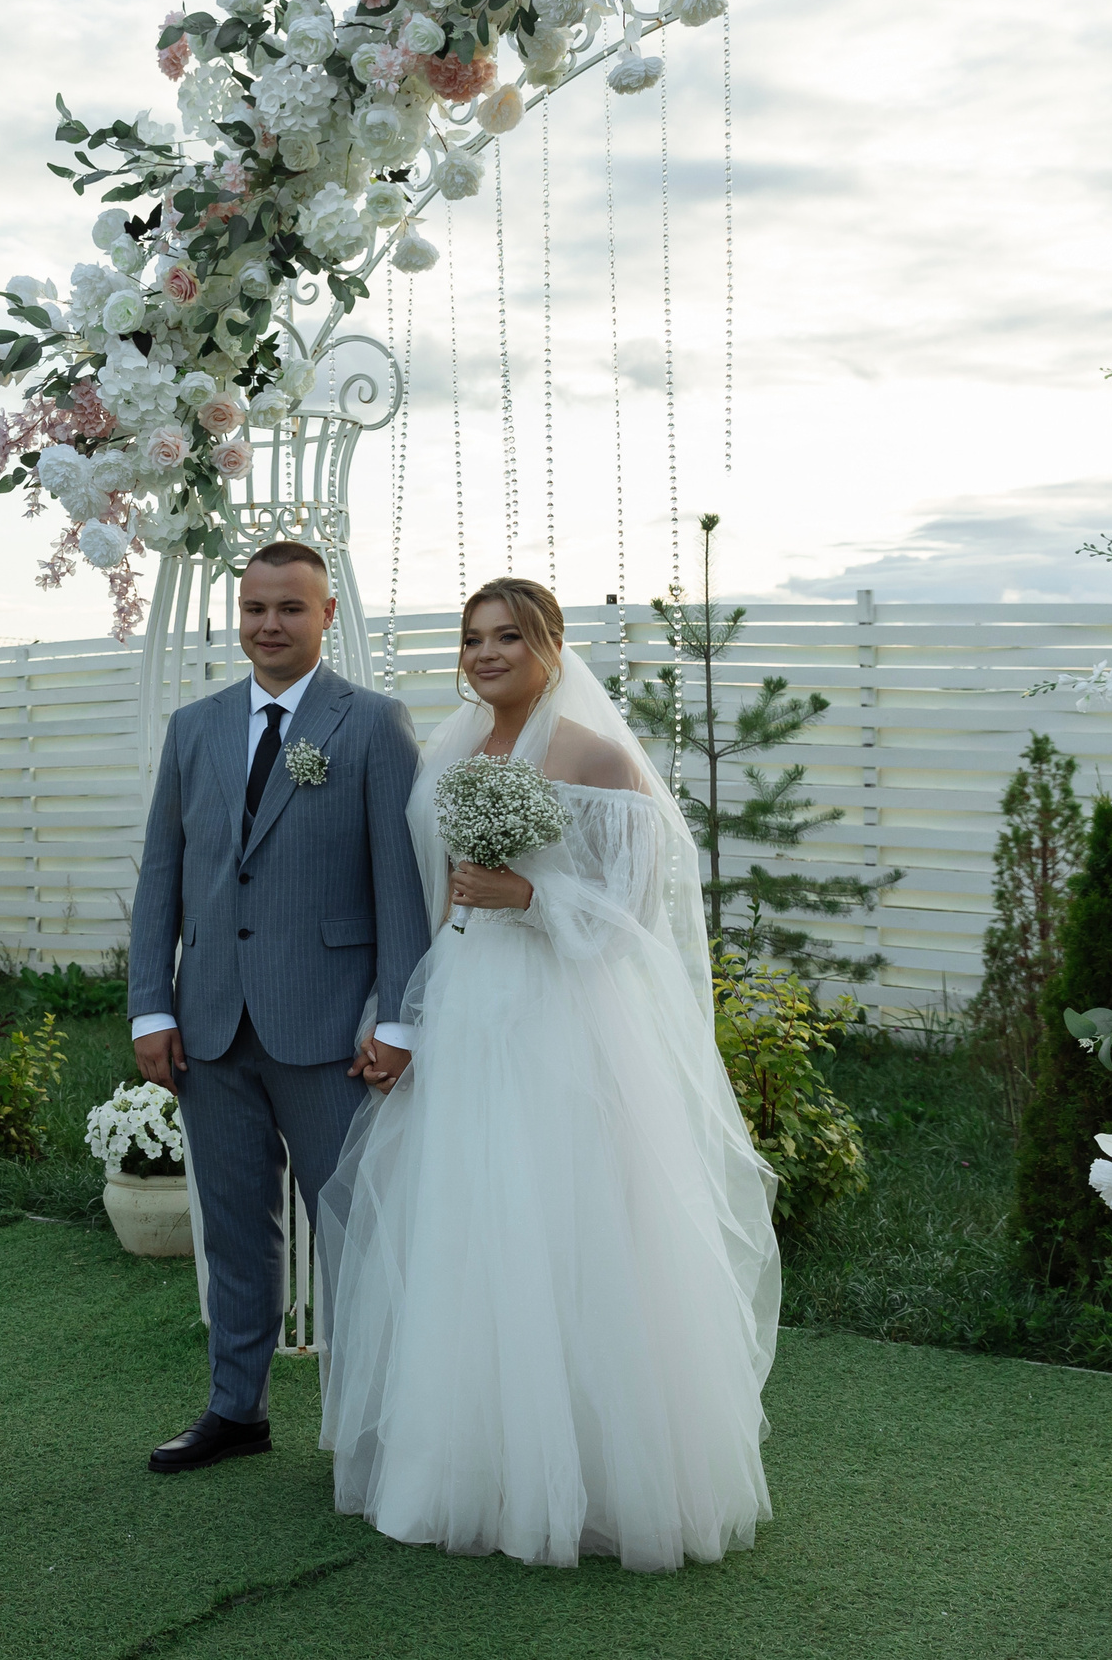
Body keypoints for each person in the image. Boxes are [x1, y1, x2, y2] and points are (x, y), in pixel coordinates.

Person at [316, 578, 780, 1571]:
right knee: (469, 1228)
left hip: (562, 1023)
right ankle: (472, 1473)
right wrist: (396, 1020)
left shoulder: (598, 758)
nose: (486, 655)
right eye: (472, 639)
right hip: (465, 1010)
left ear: (550, 644)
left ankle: (600, 1479)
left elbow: (633, 924)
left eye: (508, 637)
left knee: (567, 1227)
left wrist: (528, 893)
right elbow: (430, 910)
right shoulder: (448, 754)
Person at [126, 539, 432, 1473]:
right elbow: (162, 879)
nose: (269, 624)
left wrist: (398, 1017)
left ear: (327, 614)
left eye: (290, 608)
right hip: (210, 1027)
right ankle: (237, 1410)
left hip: (330, 1031)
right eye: (255, 607)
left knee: (352, 1234)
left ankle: (369, 1427)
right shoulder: (194, 728)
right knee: (232, 1226)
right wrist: (151, 1007)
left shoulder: (373, 724)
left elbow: (402, 888)